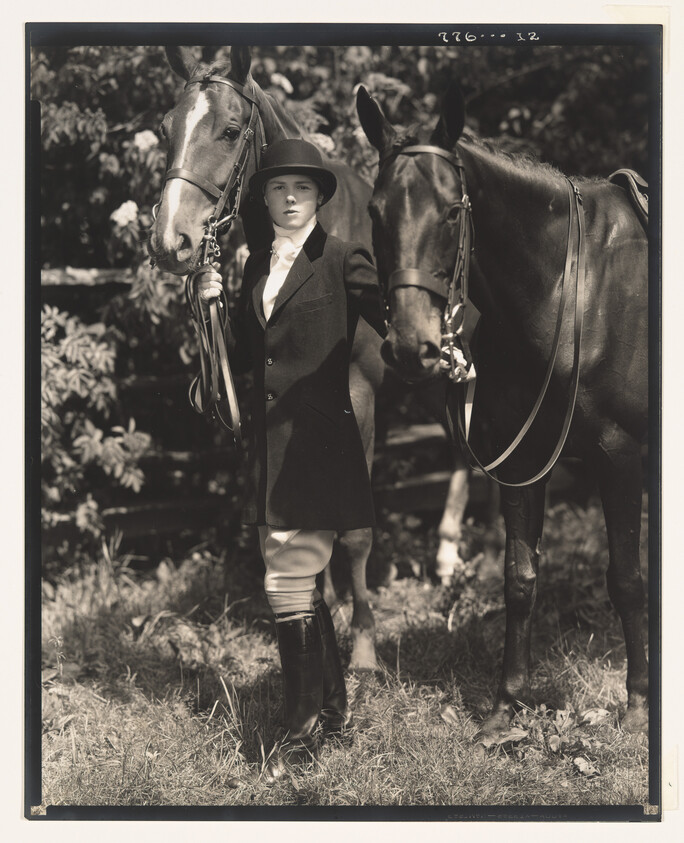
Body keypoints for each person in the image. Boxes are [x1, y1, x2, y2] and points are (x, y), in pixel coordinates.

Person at [196, 138, 386, 782]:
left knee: (289, 576)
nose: (291, 197)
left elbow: (391, 314)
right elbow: (251, 362)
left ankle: (300, 728)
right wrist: (215, 307)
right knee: (294, 576)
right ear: (268, 199)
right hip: (269, 444)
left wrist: (445, 338)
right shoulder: (254, 268)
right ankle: (331, 710)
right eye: (279, 188)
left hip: (319, 442)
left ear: (318, 196)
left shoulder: (340, 256)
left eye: (303, 187)